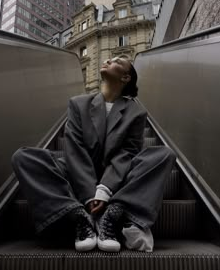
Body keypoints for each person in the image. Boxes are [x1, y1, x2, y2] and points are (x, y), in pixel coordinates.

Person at [11, 57, 176, 252]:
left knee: (164, 154)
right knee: (23, 157)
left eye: (116, 61)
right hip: (77, 173)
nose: (107, 60)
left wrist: (105, 190)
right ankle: (77, 215)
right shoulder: (78, 104)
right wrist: (90, 196)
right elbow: (74, 149)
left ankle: (114, 213)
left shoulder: (136, 112)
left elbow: (127, 154)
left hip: (118, 178)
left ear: (125, 77)